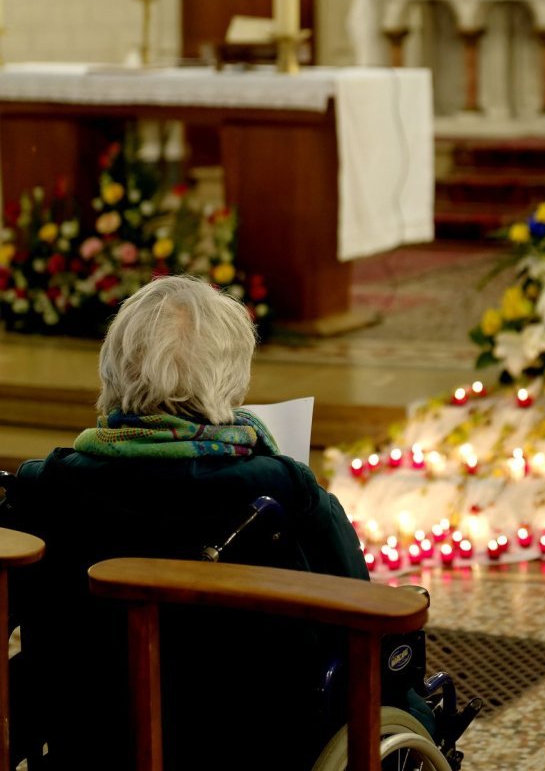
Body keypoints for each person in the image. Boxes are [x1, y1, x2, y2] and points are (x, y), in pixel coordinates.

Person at [7, 276, 370, 771]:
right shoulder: (286, 490)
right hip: (257, 746)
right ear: (230, 378)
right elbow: (360, 610)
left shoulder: (45, 486)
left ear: (113, 370)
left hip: (93, 745)